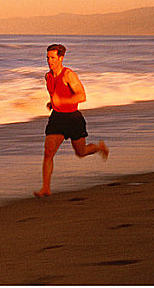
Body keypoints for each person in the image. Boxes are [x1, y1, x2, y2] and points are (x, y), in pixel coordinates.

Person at [34, 44, 109, 198]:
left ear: (61, 58)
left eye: (53, 58)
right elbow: (55, 95)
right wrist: (53, 104)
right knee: (48, 153)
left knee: (80, 152)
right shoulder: (48, 76)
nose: (50, 61)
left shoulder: (69, 75)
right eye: (48, 58)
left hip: (73, 118)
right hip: (56, 118)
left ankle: (99, 148)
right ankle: (46, 188)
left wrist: (62, 101)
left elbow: (82, 96)